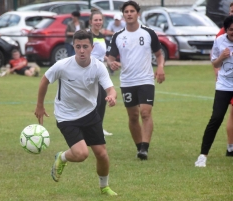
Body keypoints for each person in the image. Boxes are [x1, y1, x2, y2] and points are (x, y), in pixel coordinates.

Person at [34, 30, 118, 196]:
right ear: (73, 46)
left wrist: (112, 97)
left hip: (89, 113)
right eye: (78, 46)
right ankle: (62, 157)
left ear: (92, 48)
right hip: (67, 116)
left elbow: (111, 88)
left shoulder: (98, 66)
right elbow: (44, 80)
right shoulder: (63, 65)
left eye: (85, 47)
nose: (81, 50)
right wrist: (39, 106)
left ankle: (104, 187)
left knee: (102, 154)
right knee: (81, 154)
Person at [107, 1, 165, 160]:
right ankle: (139, 147)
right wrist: (112, 63)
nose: (129, 14)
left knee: (145, 113)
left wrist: (160, 67)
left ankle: (145, 148)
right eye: (126, 11)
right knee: (133, 116)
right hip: (127, 81)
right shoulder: (118, 36)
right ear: (123, 15)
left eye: (132, 11)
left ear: (137, 14)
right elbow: (110, 58)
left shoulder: (148, 33)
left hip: (146, 79)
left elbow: (159, 54)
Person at [195, 15, 233, 167]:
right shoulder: (219, 40)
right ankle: (203, 156)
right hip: (224, 85)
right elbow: (214, 62)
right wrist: (222, 57)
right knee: (216, 118)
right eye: (231, 30)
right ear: (226, 30)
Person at [213, 2, 233, 157]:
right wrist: (216, 71)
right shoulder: (222, 33)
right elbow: (215, 53)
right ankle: (230, 146)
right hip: (226, 82)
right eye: (231, 11)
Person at [88, 8, 112, 136]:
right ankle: (90, 128)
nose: (98, 22)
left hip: (102, 71)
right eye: (95, 20)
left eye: (100, 20)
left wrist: (109, 61)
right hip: (91, 71)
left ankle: (99, 128)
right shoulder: (88, 36)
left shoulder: (102, 36)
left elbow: (101, 55)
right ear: (90, 22)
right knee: (93, 101)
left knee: (102, 100)